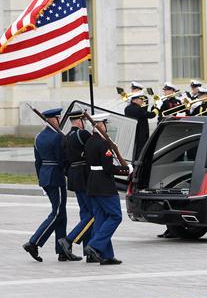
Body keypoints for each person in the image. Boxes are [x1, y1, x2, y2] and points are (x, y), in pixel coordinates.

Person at [23, 108, 77, 263]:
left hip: (46, 176)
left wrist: (41, 179)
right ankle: (34, 242)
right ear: (53, 120)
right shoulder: (57, 137)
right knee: (58, 213)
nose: (60, 121)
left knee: (62, 214)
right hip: (56, 177)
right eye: (58, 119)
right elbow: (61, 160)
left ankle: (62, 251)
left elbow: (37, 161)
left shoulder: (38, 137)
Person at [82, 117, 128, 265]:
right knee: (115, 216)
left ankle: (106, 255)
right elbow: (108, 168)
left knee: (101, 219)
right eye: (104, 124)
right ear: (100, 125)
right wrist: (126, 169)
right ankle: (94, 246)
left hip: (92, 183)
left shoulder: (89, 141)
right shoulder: (103, 143)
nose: (106, 126)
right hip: (104, 185)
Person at [57, 109, 93, 259]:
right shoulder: (83, 134)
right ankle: (69, 240)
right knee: (92, 214)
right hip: (85, 175)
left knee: (85, 212)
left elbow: (64, 161)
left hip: (73, 175)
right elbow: (93, 152)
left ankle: (88, 249)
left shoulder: (65, 137)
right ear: (80, 121)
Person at [124, 92, 157, 163]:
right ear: (134, 100)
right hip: (141, 133)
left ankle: (133, 163)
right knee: (140, 151)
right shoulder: (138, 109)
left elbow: (143, 112)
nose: (142, 101)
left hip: (132, 133)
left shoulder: (127, 108)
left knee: (133, 150)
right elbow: (151, 115)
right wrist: (156, 108)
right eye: (140, 99)